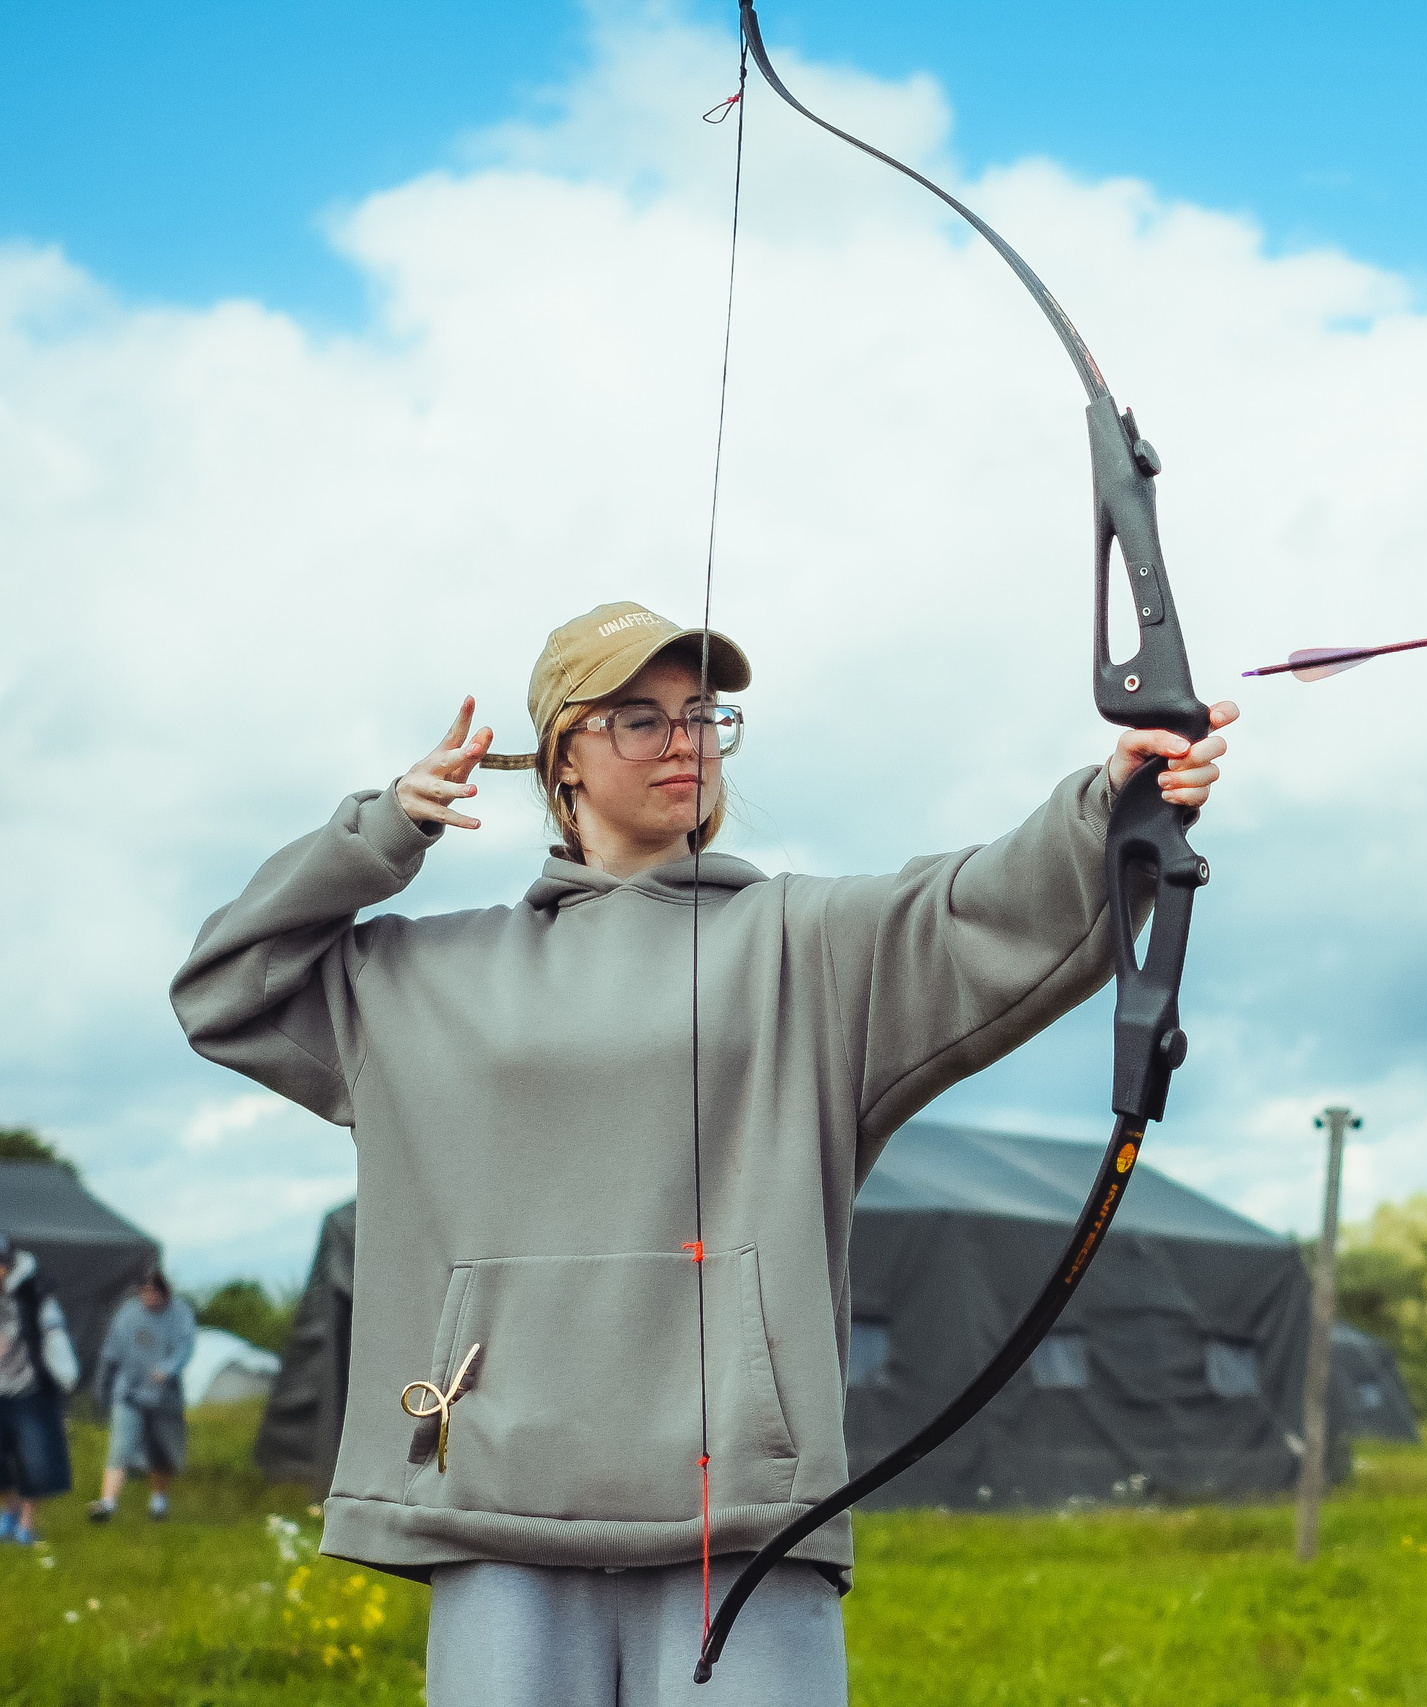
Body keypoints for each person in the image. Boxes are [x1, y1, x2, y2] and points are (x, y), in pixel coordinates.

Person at [170, 601, 1234, 1706]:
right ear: (561, 758)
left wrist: (1117, 803)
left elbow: (984, 908)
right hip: (496, 1503)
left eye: (704, 714)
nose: (685, 741)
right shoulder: (421, 978)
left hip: (743, 1517)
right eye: (640, 717)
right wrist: (381, 829)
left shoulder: (806, 947)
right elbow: (226, 988)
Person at [89, 1265, 194, 1523]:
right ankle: (107, 1503)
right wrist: (104, 1383)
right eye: (144, 1291)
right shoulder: (128, 1313)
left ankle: (159, 1501)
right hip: (129, 1392)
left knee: (162, 1450)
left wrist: (167, 1368)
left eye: (153, 1291)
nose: (148, 1297)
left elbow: (185, 1347)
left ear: (164, 1291)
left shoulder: (180, 1313)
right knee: (121, 1446)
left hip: (165, 1397)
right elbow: (112, 1349)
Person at [0, 1231, 81, 1544]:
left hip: (30, 1388)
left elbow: (53, 1332)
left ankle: (27, 1522)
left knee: (35, 1459)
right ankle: (7, 1512)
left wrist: (65, 1373)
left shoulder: (34, 1291)